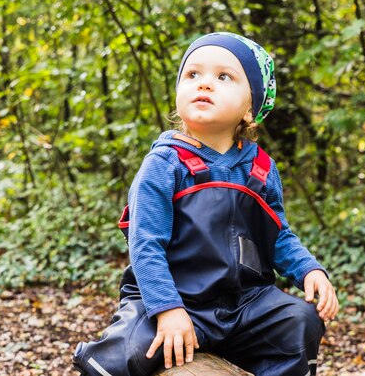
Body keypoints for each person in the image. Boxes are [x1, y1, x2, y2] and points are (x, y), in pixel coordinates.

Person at [72, 32, 339, 376]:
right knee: (124, 355)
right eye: (193, 75)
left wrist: (310, 269)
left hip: (244, 305)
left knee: (299, 321)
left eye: (224, 77)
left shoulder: (261, 168)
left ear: (250, 108)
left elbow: (278, 236)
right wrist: (167, 309)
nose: (205, 84)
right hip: (175, 299)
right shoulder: (165, 164)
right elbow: (145, 245)